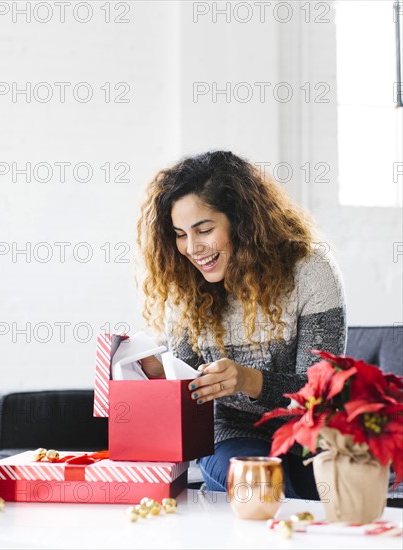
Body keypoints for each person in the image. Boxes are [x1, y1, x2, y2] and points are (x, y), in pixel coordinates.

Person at [136, 150, 347, 499]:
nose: (191, 248)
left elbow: (319, 395)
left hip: (309, 433)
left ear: (242, 221)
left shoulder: (310, 270)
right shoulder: (184, 286)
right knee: (264, 489)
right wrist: (160, 376)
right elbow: (193, 391)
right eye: (180, 234)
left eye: (204, 230)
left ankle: (219, 501)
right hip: (232, 432)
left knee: (317, 495)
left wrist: (249, 380)